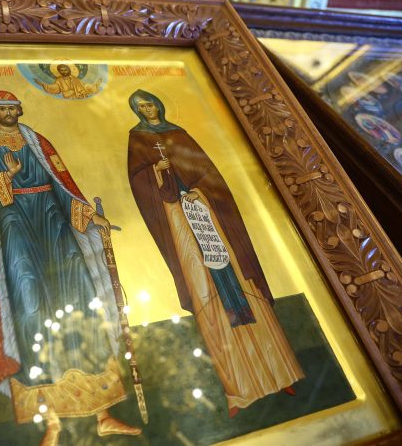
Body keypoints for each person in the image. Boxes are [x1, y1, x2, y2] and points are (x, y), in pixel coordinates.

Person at [0, 91, 140, 445]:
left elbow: (62, 185)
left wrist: (89, 215)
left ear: (19, 109)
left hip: (54, 222)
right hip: (13, 230)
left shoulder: (38, 141)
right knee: (29, 309)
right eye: (1, 109)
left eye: (12, 107)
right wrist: (8, 175)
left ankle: (102, 414)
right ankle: (51, 422)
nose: (8, 113)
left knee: (81, 297)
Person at [127, 89, 304, 417]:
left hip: (207, 214)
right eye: (141, 107)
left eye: (150, 103)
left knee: (241, 283)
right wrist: (156, 171)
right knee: (204, 289)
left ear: (159, 103)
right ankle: (238, 392)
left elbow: (210, 175)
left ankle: (281, 375)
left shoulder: (179, 134)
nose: (147, 109)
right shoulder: (137, 140)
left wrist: (199, 191)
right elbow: (139, 183)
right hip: (177, 220)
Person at [34, 63, 102, 99]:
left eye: (65, 70)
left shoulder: (74, 78)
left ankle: (95, 86)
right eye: (61, 70)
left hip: (79, 94)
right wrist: (43, 85)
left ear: (69, 70)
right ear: (59, 72)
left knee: (87, 86)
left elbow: (82, 85)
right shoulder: (59, 80)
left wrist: (92, 86)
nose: (64, 71)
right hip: (69, 95)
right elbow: (55, 87)